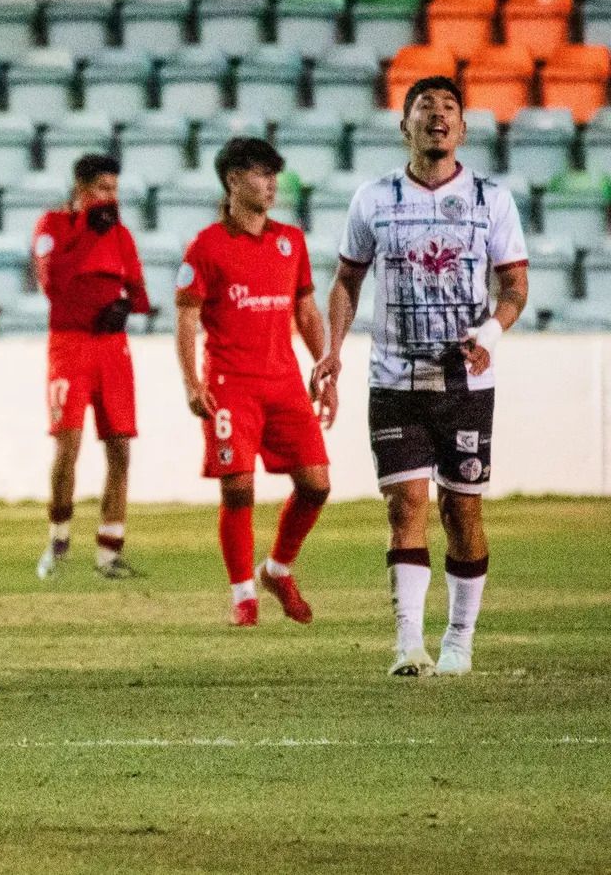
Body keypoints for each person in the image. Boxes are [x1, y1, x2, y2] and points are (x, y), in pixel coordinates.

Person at [311, 76, 528, 677]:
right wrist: (333, 351)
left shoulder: (492, 200)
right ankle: (409, 643)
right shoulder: (373, 199)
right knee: (405, 504)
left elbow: (515, 286)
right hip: (394, 379)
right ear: (403, 125)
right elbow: (346, 281)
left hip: (465, 384)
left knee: (462, 511)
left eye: (449, 108)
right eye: (424, 107)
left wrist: (491, 333)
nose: (438, 116)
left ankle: (459, 640)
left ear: (463, 127)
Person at [175, 137, 332, 628]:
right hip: (231, 384)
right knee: (238, 488)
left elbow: (305, 308)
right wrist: (191, 382)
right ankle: (243, 594)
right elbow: (186, 317)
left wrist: (324, 365)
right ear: (233, 180)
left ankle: (278, 569)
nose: (271, 184)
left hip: (284, 381)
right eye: (261, 174)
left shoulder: (291, 241)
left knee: (316, 484)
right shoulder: (206, 246)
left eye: (273, 175)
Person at [32, 155, 150, 581]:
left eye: (115, 190)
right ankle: (58, 539)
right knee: (69, 447)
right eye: (103, 189)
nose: (111, 198)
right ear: (81, 190)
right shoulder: (54, 227)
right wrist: (85, 231)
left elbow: (139, 294)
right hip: (70, 346)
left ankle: (108, 551)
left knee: (120, 448)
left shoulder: (120, 235)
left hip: (112, 349)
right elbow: (53, 283)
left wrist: (123, 306)